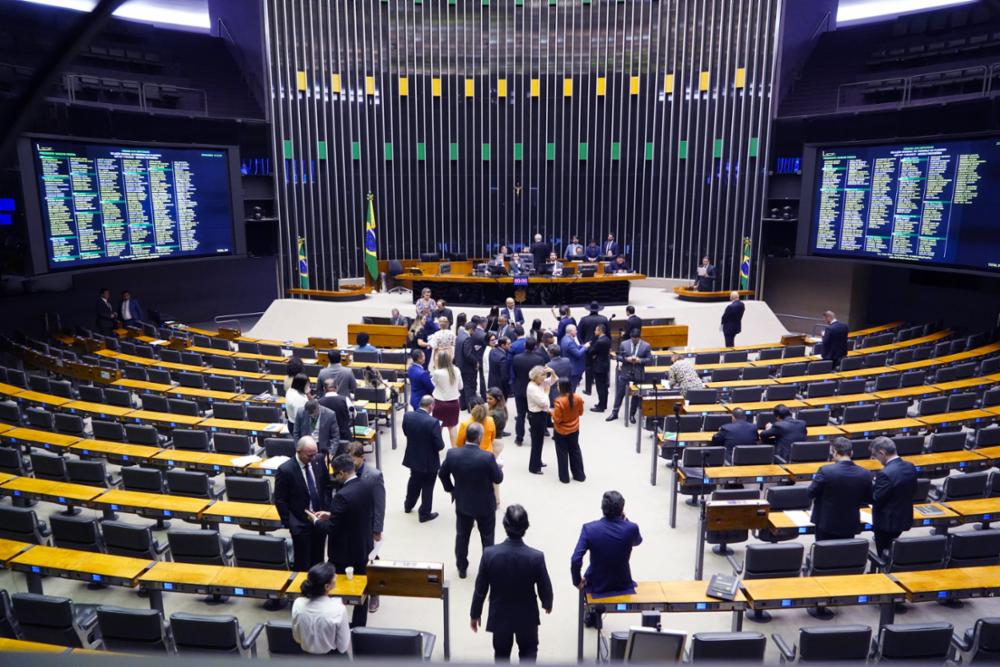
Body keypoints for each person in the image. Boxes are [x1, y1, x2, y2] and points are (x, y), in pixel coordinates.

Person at [470, 504, 554, 663]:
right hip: (527, 617)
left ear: (505, 525)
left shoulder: (489, 554)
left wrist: (475, 613)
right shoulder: (536, 557)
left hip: (500, 615)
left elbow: (480, 589)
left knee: (501, 655)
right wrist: (547, 602)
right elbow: (545, 585)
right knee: (529, 652)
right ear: (526, 527)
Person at [308, 454, 375, 627]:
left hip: (343, 554)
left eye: (336, 474)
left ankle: (337, 623)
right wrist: (331, 514)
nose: (335, 477)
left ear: (343, 473)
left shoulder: (342, 495)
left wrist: (315, 521)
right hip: (363, 546)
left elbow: (331, 529)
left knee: (335, 587)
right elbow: (355, 513)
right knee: (362, 586)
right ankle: (360, 625)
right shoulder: (366, 485)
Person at [439, 422, 504, 578]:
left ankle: (462, 568)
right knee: (487, 538)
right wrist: (499, 467)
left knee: (462, 537)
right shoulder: (487, 457)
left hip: (463, 502)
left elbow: (442, 474)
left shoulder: (452, 454)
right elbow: (498, 478)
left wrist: (451, 490)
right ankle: (487, 570)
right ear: (480, 438)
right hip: (485, 505)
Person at [571, 491, 642, 628]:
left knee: (590, 573)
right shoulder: (631, 528)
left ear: (602, 509)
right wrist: (625, 521)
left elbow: (575, 559)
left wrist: (577, 581)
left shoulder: (589, 529)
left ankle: (592, 616)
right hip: (622, 582)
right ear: (622, 510)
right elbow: (637, 541)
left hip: (597, 584)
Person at [275, 436, 330, 571]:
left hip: (319, 520)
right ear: (298, 451)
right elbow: (280, 500)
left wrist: (326, 511)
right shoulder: (285, 470)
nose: (313, 458)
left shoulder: (318, 460)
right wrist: (290, 523)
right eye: (309, 455)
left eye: (315, 453)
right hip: (300, 524)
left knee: (319, 560)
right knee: (303, 563)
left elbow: (326, 487)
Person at [808, 438, 873, 541]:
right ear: (851, 453)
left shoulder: (825, 470)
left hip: (826, 522)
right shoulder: (865, 473)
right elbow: (869, 498)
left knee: (823, 553)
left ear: (834, 452)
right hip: (849, 523)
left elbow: (811, 493)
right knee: (844, 553)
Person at [870, 436, 918, 555]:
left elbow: (877, 498)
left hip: (886, 522)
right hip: (904, 518)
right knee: (893, 549)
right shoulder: (910, 466)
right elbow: (913, 489)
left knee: (883, 553)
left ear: (882, 453)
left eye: (875, 456)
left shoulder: (885, 473)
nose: (876, 459)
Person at [291, 562, 351, 656]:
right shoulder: (339, 610)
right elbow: (343, 647)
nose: (336, 575)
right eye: (334, 575)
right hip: (331, 659)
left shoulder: (298, 604)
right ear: (327, 587)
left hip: (305, 657)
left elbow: (297, 638)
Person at [402, 395, 445, 523]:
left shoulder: (407, 416)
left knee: (414, 481)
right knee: (428, 486)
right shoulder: (433, 422)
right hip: (429, 461)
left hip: (413, 457)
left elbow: (406, 432)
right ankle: (424, 513)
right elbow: (440, 446)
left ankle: (408, 505)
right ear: (431, 406)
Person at [608, 329, 652, 423]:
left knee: (636, 395)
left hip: (638, 372)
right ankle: (614, 413)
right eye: (632, 338)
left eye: (636, 339)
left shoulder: (646, 346)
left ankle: (632, 414)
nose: (634, 340)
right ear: (630, 337)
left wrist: (639, 360)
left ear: (639, 337)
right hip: (625, 371)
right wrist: (626, 359)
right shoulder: (624, 344)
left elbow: (649, 360)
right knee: (620, 393)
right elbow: (619, 357)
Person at [552, 378, 586, 484]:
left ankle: (564, 478)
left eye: (558, 385)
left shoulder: (559, 402)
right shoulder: (578, 398)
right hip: (575, 428)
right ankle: (579, 475)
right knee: (575, 451)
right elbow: (580, 412)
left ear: (561, 388)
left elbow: (557, 419)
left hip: (561, 431)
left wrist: (551, 412)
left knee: (562, 453)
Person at [511, 338, 542, 446]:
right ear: (535, 347)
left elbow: (514, 372)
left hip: (519, 389)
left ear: (525, 345)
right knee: (533, 414)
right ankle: (534, 435)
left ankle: (519, 438)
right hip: (533, 389)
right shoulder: (539, 359)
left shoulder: (516, 358)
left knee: (520, 415)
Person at [527, 366, 556, 474]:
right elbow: (544, 403)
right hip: (536, 416)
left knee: (539, 441)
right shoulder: (532, 387)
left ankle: (538, 461)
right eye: (542, 375)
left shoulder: (539, 383)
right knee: (537, 442)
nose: (544, 378)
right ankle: (534, 467)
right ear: (535, 376)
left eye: (544, 375)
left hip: (541, 415)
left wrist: (552, 372)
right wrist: (547, 392)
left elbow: (553, 380)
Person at [431, 350, 463, 444]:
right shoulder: (456, 370)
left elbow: (432, 385)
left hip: (439, 404)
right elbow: (461, 386)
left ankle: (436, 449)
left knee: (438, 428)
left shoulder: (437, 373)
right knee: (452, 427)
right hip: (454, 404)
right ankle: (455, 451)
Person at [577, 301, 609, 394]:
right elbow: (608, 333)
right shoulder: (604, 319)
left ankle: (588, 389)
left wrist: (583, 343)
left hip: (589, 346)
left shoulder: (584, 319)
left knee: (588, 367)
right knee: (602, 365)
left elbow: (579, 333)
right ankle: (605, 386)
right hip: (602, 346)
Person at [319, 378, 354, 443]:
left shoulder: (319, 402)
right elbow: (353, 415)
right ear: (337, 387)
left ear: (324, 389)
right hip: (344, 436)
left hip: (327, 438)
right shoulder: (345, 399)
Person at [587, 324, 612, 412]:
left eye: (596, 330)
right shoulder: (607, 339)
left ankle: (600, 407)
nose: (594, 332)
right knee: (604, 387)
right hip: (605, 365)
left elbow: (591, 352)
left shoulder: (599, 341)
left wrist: (590, 347)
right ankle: (603, 404)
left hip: (599, 366)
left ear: (600, 331)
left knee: (600, 387)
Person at [560, 324, 588, 392]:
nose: (577, 331)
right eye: (575, 330)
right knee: (572, 389)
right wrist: (585, 347)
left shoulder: (564, 338)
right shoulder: (570, 342)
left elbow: (574, 349)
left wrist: (582, 346)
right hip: (574, 369)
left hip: (568, 366)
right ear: (571, 331)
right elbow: (578, 354)